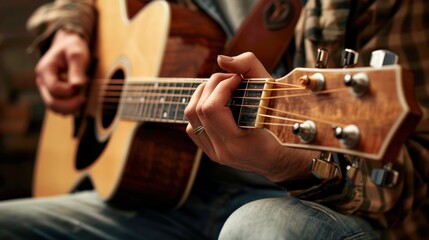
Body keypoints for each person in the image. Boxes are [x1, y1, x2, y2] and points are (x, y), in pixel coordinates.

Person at [0, 0, 427, 239]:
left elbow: (414, 175)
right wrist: (70, 30)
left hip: (299, 208)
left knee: (260, 228)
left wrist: (288, 164)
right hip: (161, 201)